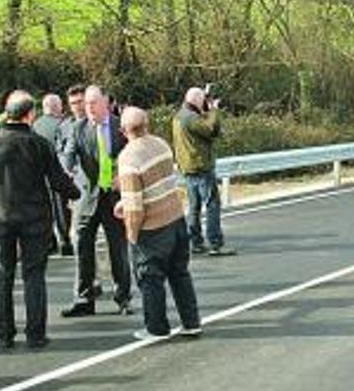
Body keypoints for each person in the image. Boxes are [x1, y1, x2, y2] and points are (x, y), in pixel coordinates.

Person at [0, 90, 80, 349]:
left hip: (0, 218)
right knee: (33, 275)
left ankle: (5, 332)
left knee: (4, 275)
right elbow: (58, 180)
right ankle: (35, 333)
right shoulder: (40, 144)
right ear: (30, 115)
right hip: (35, 218)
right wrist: (76, 193)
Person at [115, 107, 202, 341]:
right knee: (180, 273)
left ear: (124, 131)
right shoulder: (161, 145)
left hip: (152, 228)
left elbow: (135, 206)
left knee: (150, 277)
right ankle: (191, 322)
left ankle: (156, 327)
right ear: (147, 125)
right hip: (175, 217)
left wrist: (131, 235)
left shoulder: (128, 158)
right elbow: (161, 182)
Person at [61, 85, 132, 317]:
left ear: (105, 103)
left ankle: (123, 298)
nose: (88, 108)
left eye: (93, 103)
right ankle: (84, 299)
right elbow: (69, 155)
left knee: (118, 250)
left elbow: (133, 152)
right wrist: (67, 171)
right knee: (83, 249)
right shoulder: (78, 128)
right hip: (87, 197)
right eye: (86, 104)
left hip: (113, 198)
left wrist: (124, 175)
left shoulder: (119, 125)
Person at [173, 87, 235, 256]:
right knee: (212, 204)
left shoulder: (179, 116)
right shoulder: (191, 118)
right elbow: (209, 129)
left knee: (194, 207)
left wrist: (206, 111)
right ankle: (215, 243)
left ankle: (196, 242)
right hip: (201, 167)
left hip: (188, 168)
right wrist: (213, 109)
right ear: (197, 100)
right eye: (203, 100)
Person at [33, 94, 72, 256]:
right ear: (58, 107)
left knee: (44, 209)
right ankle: (65, 241)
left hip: (38, 175)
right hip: (57, 172)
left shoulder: (35, 125)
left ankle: (50, 242)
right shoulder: (64, 124)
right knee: (61, 209)